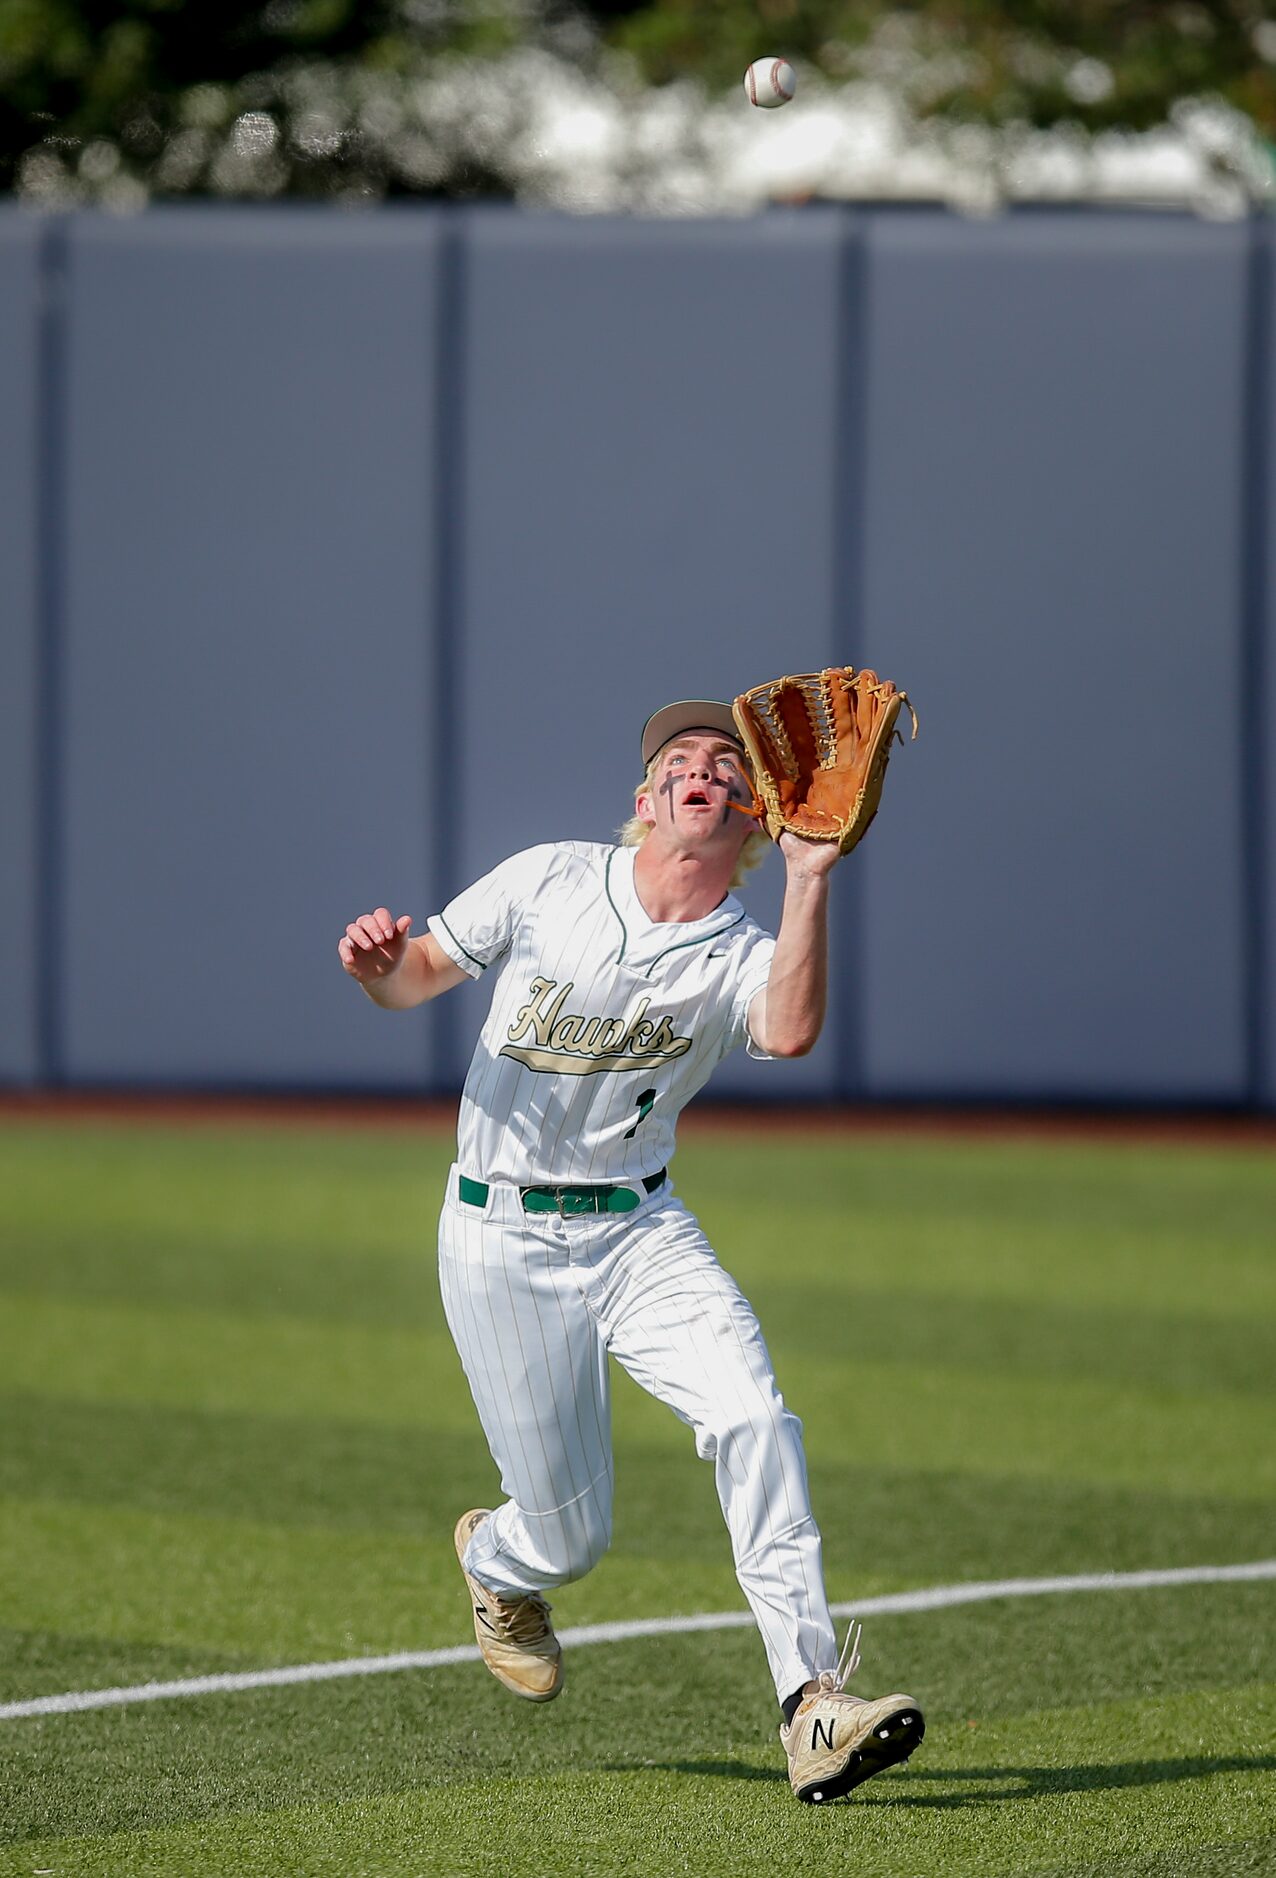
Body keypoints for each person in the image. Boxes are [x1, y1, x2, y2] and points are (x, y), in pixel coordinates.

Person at [338, 698, 924, 1804]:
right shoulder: (549, 878)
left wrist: (810, 878)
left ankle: (810, 1705)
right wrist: (375, 963)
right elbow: (411, 975)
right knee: (567, 1541)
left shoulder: (742, 946)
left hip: (643, 1230)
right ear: (646, 801)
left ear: (753, 812)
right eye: (676, 760)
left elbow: (790, 1031)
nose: (697, 767)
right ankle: (496, 1564)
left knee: (753, 1415)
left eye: (722, 763)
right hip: (499, 1234)